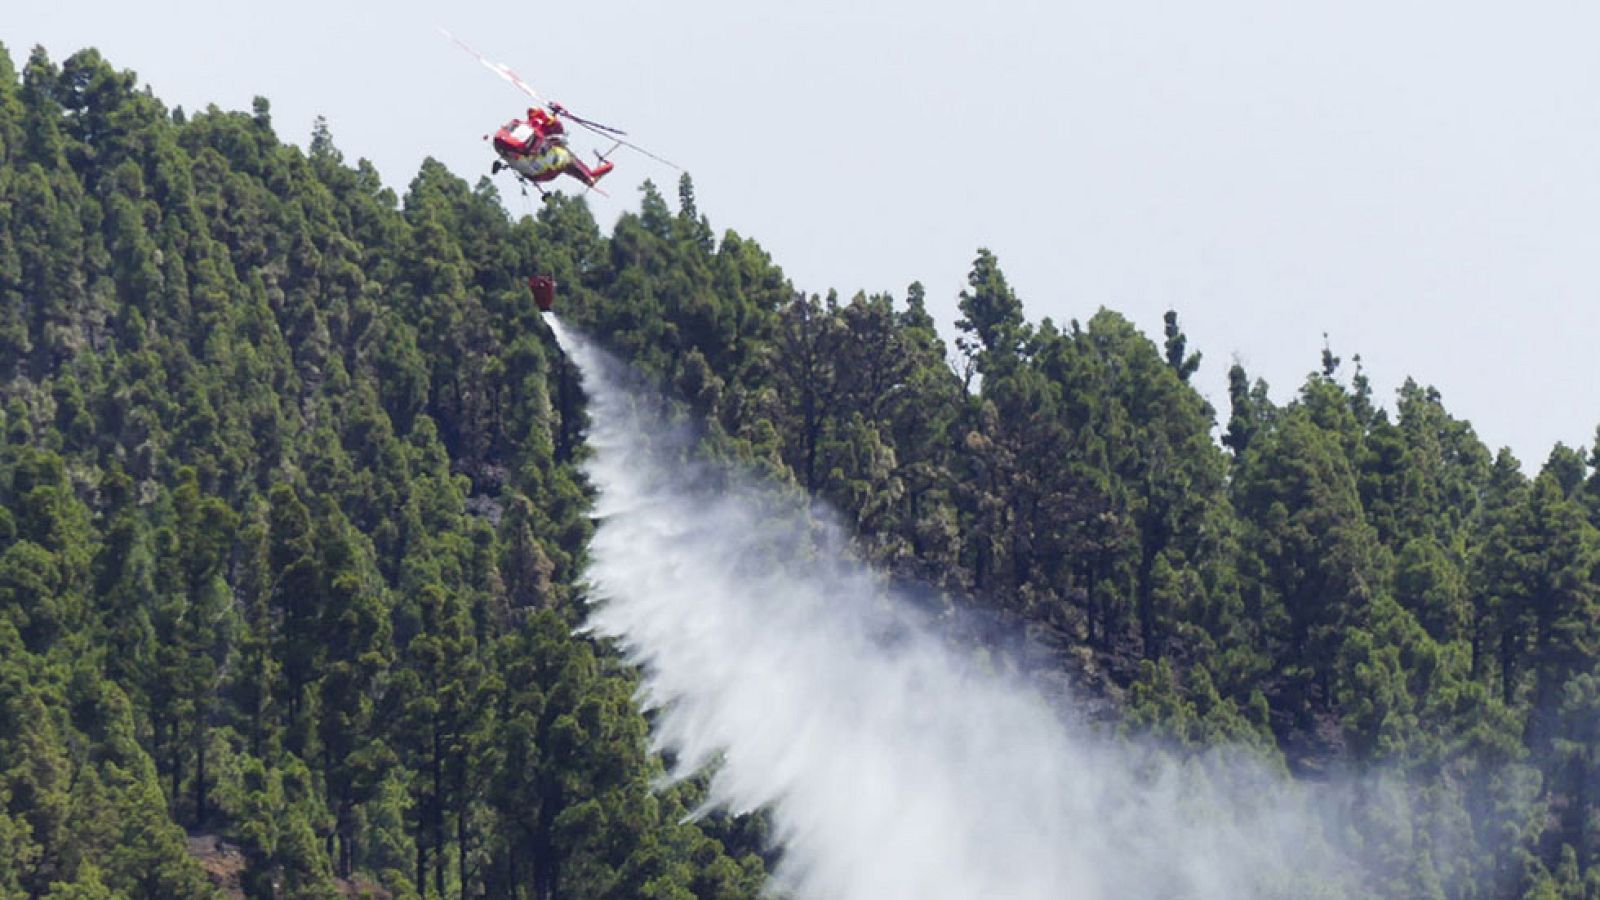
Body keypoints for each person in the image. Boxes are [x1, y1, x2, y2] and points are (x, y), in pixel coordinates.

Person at [491, 105, 613, 188]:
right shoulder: (522, 134)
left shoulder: (543, 143)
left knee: (566, 159)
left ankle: (602, 170)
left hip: (544, 171)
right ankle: (595, 173)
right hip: (531, 162)